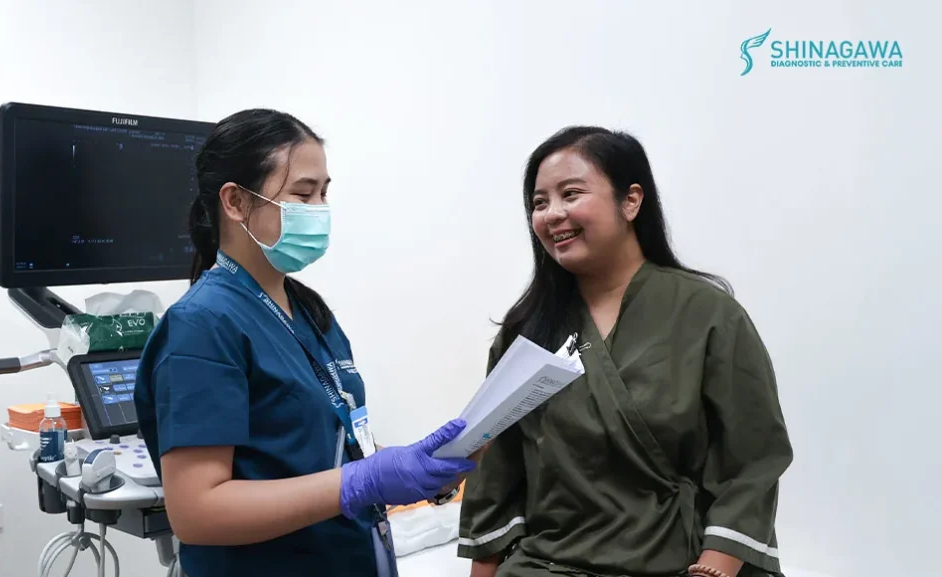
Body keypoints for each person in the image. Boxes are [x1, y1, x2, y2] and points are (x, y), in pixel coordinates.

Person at [133, 108, 476, 577]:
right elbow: (197, 512)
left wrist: (419, 473)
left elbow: (331, 445)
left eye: (324, 193)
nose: (319, 210)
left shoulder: (308, 310)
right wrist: (361, 481)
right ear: (234, 201)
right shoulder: (202, 326)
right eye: (302, 194)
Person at [457, 126, 793, 577]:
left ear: (631, 201)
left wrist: (716, 566)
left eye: (570, 194)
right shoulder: (527, 332)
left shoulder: (709, 314)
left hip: (684, 560)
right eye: (539, 203)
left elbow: (753, 457)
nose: (552, 214)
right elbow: (496, 476)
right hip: (552, 565)